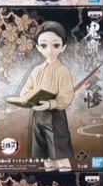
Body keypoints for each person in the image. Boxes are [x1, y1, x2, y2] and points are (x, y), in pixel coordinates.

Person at [10, 21, 76, 171]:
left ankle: (67, 178)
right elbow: (25, 90)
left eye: (56, 45)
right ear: (38, 47)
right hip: (37, 115)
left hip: (55, 115)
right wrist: (27, 99)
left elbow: (67, 95)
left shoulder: (62, 70)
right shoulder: (37, 70)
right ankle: (49, 176)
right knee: (43, 153)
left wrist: (51, 103)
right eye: (44, 45)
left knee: (59, 152)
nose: (50, 50)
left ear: (63, 47)